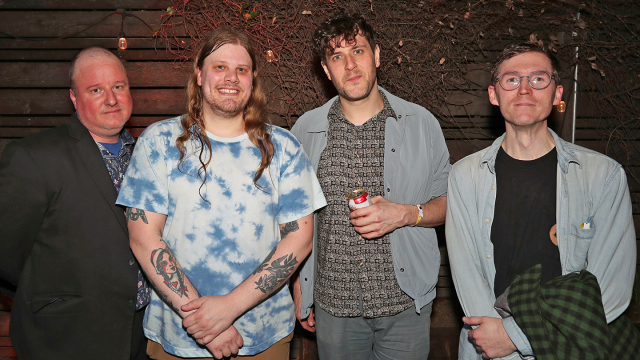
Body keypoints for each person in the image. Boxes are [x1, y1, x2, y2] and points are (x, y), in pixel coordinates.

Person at [116, 27, 326, 360]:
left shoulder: (284, 147)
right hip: (178, 334)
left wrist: (227, 309)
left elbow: (299, 240)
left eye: (242, 69)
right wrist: (203, 321)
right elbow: (144, 238)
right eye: (220, 67)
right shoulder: (158, 142)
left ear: (253, 79)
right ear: (199, 74)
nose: (231, 77)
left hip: (264, 335)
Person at [445, 42, 636, 359]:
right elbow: (467, 277)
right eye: (511, 79)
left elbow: (611, 288)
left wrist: (518, 337)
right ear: (494, 95)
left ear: (557, 94)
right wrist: (498, 340)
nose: (523, 89)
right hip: (489, 347)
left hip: (569, 344)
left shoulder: (603, 177)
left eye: (537, 79)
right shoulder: (464, 177)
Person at [290, 13, 451, 360]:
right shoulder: (305, 131)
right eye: (337, 57)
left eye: (358, 51)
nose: (349, 65)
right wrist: (298, 283)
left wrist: (408, 214)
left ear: (376, 55)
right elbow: (295, 217)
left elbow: (450, 204)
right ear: (326, 69)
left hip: (405, 303)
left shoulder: (421, 124)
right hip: (335, 304)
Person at [0, 47, 150, 359]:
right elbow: (7, 257)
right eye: (96, 90)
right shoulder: (34, 157)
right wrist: (53, 301)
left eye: (118, 87)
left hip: (140, 335)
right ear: (73, 97)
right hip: (66, 337)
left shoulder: (147, 156)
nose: (111, 99)